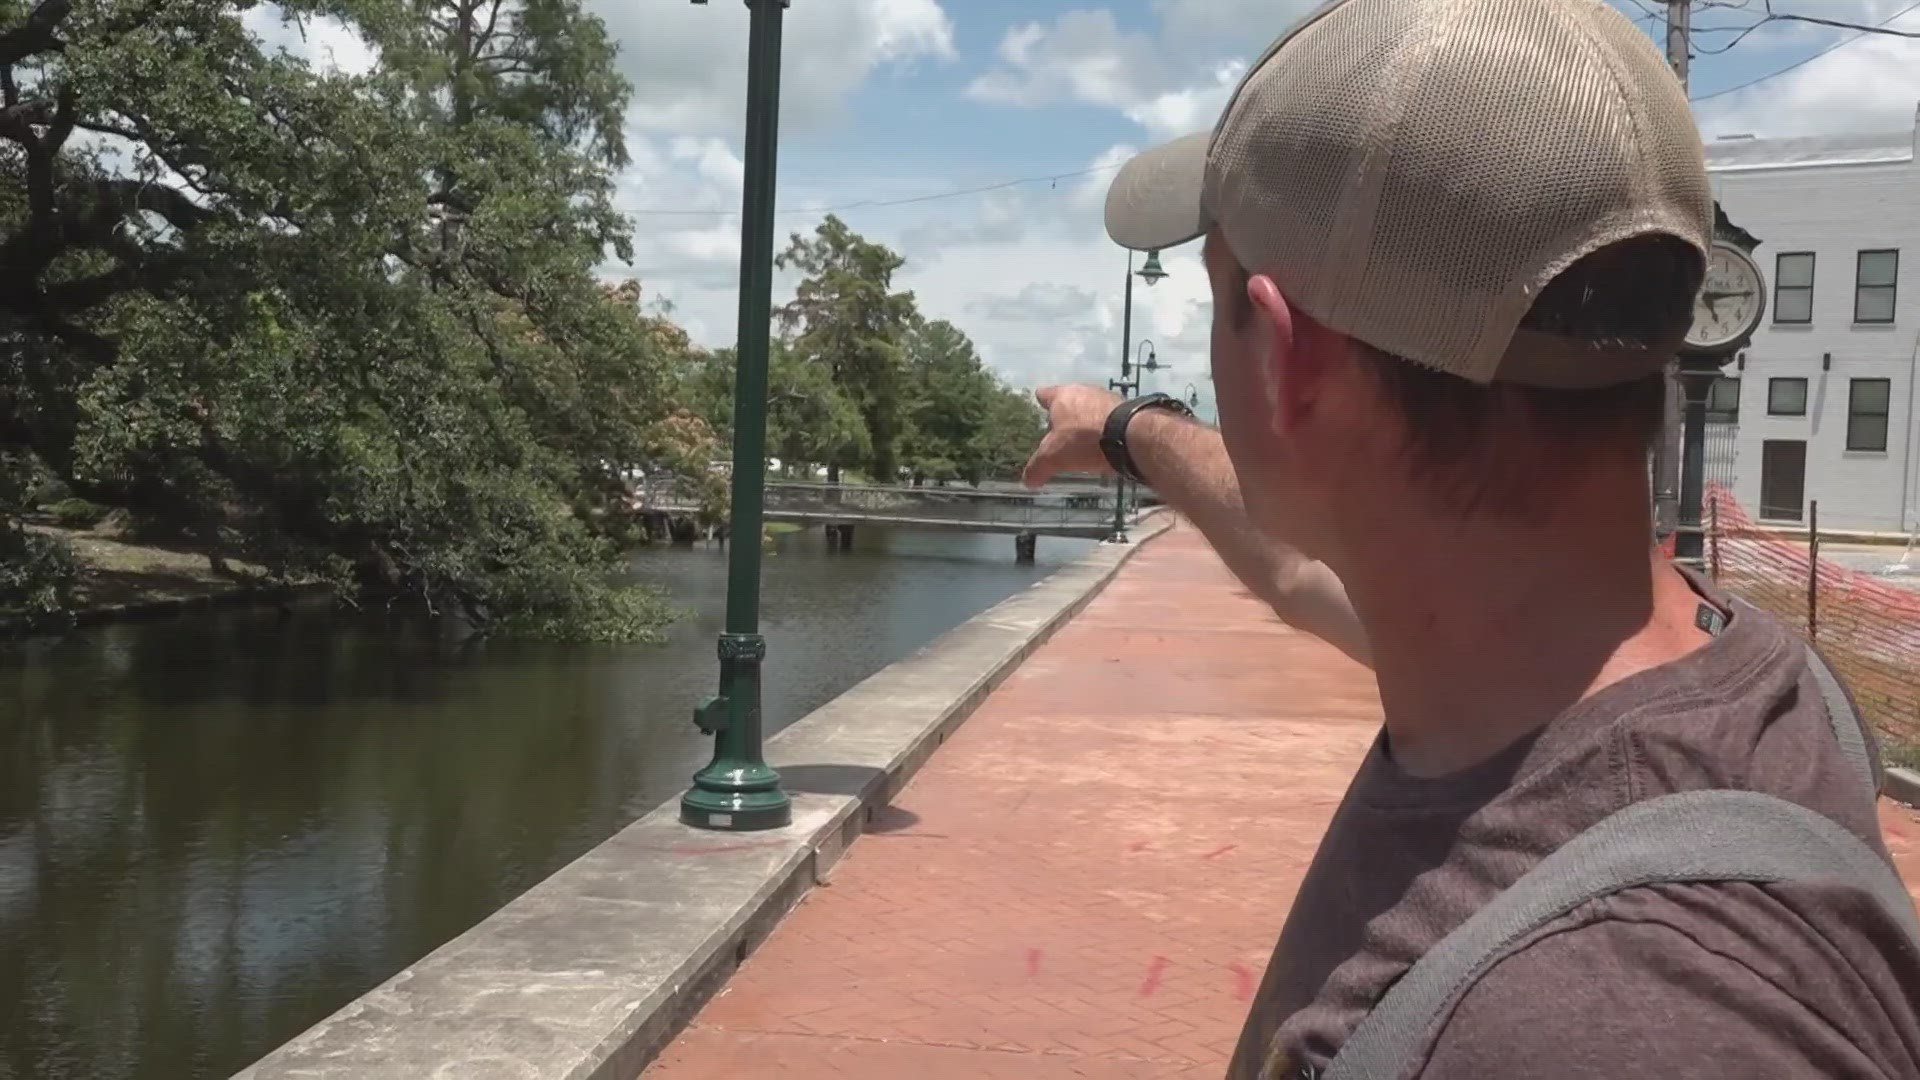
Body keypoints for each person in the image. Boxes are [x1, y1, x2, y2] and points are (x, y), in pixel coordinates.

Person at [1022, 0, 1920, 1077]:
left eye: (1221, 303)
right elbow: (1296, 570)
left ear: (1286, 366)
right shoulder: (1719, 678)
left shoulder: (1605, 1022)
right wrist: (1127, 433)